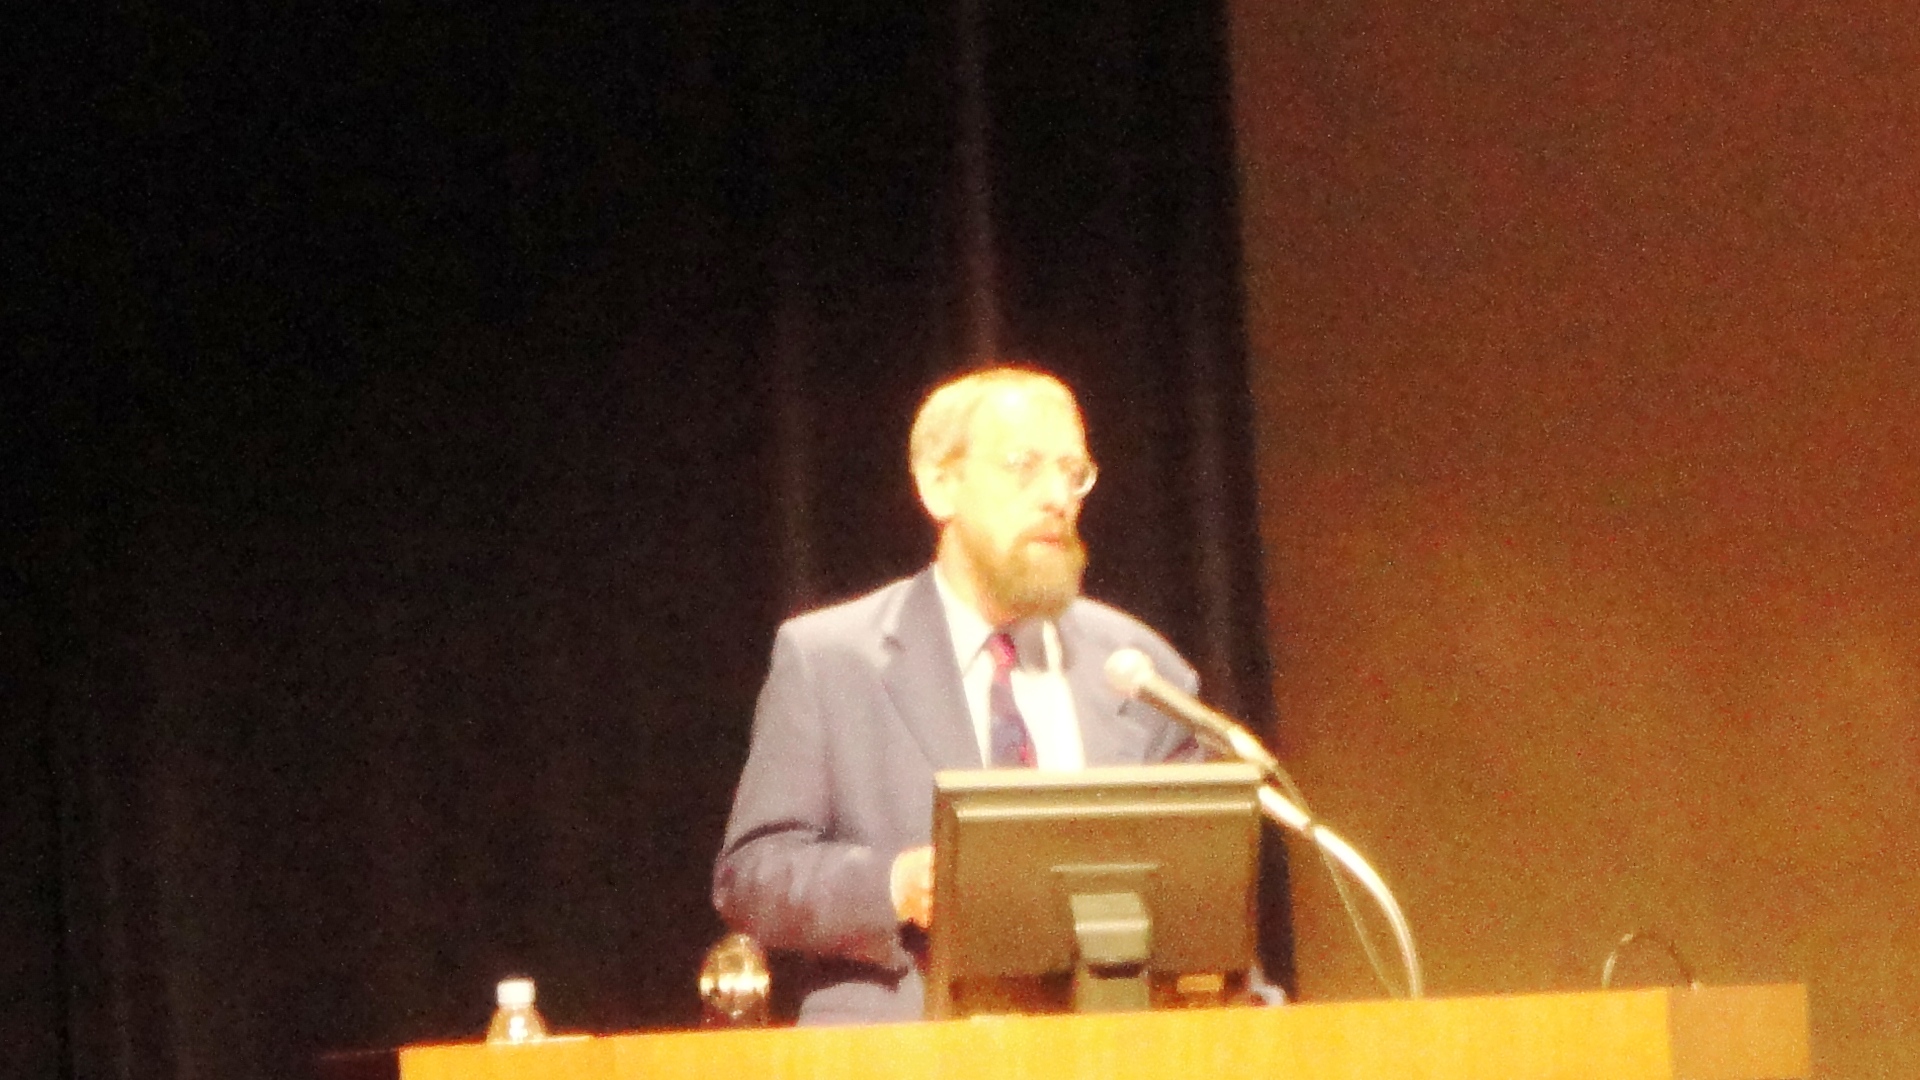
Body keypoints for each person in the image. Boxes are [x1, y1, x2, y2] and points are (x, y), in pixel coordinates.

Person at [711, 365, 1202, 1024]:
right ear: (939, 485)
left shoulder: (1140, 670)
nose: (1056, 496)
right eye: (1023, 466)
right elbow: (751, 876)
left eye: (1074, 472)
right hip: (906, 1044)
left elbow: (1201, 893)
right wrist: (895, 885)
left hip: (1110, 1044)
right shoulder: (831, 661)